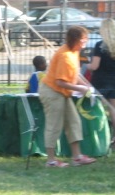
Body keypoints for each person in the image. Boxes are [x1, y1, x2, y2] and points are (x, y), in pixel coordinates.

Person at [38, 26, 96, 168]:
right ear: (75, 40)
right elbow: (60, 81)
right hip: (52, 91)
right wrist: (80, 89)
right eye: (83, 40)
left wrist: (87, 85)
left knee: (74, 121)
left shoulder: (74, 52)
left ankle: (77, 157)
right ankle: (51, 161)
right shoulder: (65, 55)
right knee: (54, 125)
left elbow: (74, 75)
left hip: (63, 92)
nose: (85, 43)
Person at [87, 19, 115, 150]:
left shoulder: (100, 46)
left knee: (97, 110)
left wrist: (86, 65)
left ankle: (99, 140)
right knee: (114, 111)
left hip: (100, 80)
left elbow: (94, 66)